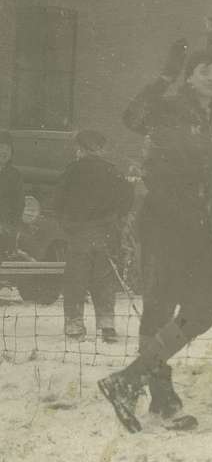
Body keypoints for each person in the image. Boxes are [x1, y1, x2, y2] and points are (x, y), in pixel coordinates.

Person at [98, 44, 212, 433]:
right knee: (159, 308)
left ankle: (131, 381)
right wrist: (163, 77)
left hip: (196, 225)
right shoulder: (169, 107)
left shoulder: (210, 120)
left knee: (201, 310)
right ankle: (162, 401)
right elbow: (132, 117)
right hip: (164, 222)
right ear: (188, 76)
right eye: (204, 70)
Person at [57, 130, 134, 342]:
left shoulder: (72, 171)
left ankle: (74, 323)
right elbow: (128, 197)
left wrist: (68, 226)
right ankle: (107, 324)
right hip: (105, 233)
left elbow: (59, 201)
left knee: (76, 280)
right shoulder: (112, 171)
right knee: (104, 279)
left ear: (80, 149)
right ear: (101, 149)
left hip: (79, 233)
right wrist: (116, 219)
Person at [0, 131, 24, 259]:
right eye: (0, 148)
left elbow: (19, 204)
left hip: (6, 228)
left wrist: (12, 226)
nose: (4, 152)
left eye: (7, 149)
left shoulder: (15, 175)